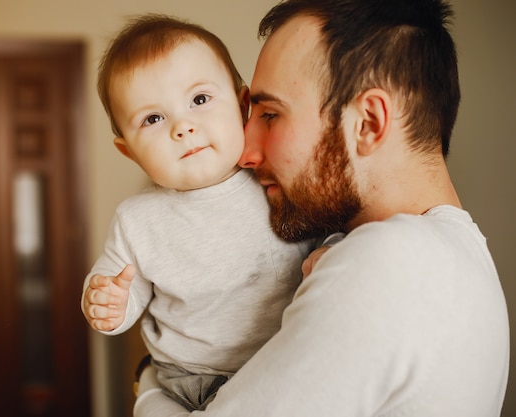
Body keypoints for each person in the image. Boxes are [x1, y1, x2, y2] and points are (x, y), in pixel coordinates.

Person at [133, 0, 510, 416]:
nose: (245, 152)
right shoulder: (457, 254)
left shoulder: (390, 261)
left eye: (271, 114)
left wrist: (150, 382)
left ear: (368, 123)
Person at [81, 14, 326, 412]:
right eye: (153, 119)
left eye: (199, 100)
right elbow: (120, 286)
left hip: (282, 360)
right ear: (129, 151)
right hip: (188, 379)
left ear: (243, 105)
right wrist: (107, 303)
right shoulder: (137, 220)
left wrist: (329, 249)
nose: (183, 127)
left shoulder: (274, 179)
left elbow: (326, 227)